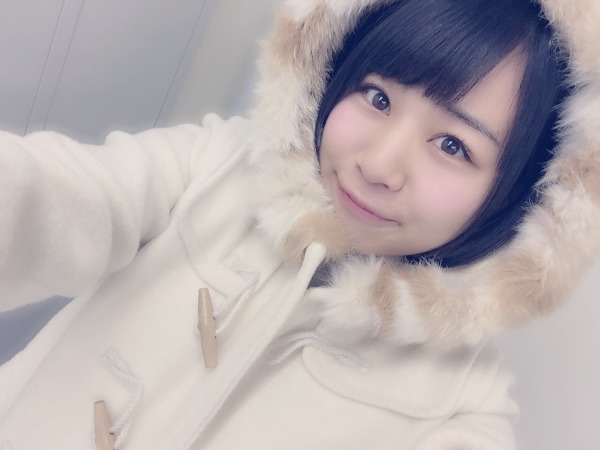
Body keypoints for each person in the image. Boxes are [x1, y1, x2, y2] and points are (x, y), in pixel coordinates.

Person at [0, 0, 597, 448]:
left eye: (452, 144)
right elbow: (42, 194)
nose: (378, 165)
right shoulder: (212, 167)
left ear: (520, 196)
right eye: (377, 97)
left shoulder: (461, 401)